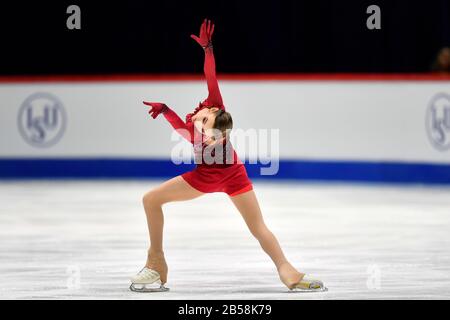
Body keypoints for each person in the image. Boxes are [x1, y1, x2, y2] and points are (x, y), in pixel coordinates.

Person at [130, 19, 326, 293]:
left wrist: (166, 110)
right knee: (256, 226)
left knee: (151, 200)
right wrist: (208, 49)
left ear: (211, 136)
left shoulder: (200, 134)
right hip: (235, 173)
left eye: (205, 119)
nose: (203, 113)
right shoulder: (216, 108)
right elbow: (211, 76)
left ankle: (157, 262)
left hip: (208, 179)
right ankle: (286, 270)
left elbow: (179, 126)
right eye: (207, 113)